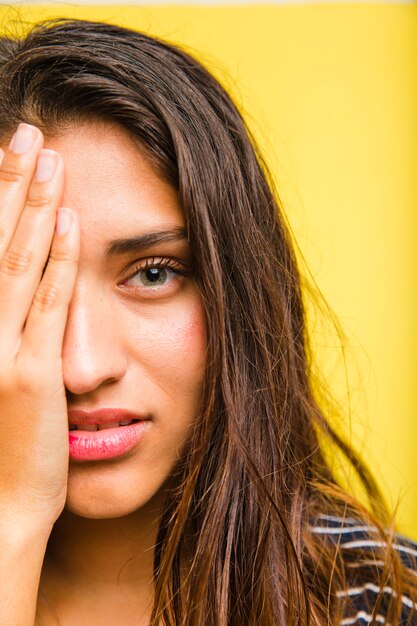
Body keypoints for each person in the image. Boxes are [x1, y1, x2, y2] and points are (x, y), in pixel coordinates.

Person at [0, 17, 415, 626]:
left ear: (235, 289)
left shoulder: (376, 603)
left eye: (153, 273)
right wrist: (12, 521)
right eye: (23, 280)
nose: (82, 366)